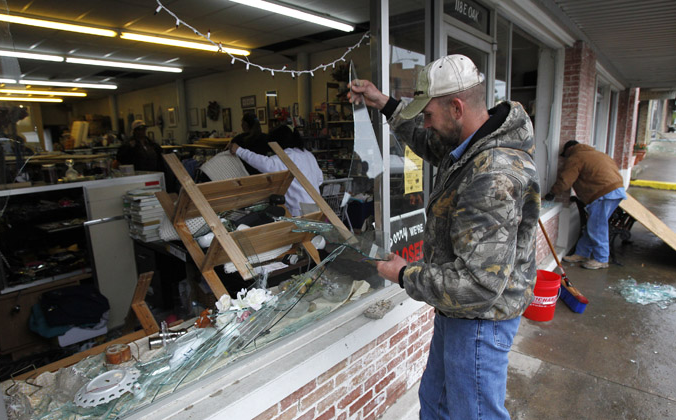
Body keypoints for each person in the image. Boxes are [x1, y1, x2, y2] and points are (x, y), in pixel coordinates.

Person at [349, 54, 540, 420]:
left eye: (429, 114)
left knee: (475, 413)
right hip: (458, 314)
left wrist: (404, 274)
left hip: (479, 321)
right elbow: (427, 143)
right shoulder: (471, 145)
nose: (426, 123)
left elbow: (478, 286)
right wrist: (384, 103)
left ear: (456, 107)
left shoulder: (491, 176)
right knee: (436, 403)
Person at [544, 140, 626, 269]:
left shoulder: (576, 157)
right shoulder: (597, 154)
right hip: (615, 191)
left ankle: (601, 259)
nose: (565, 158)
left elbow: (565, 180)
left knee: (597, 226)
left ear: (569, 149)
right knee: (593, 225)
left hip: (603, 193)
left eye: (565, 155)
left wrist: (552, 192)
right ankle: (582, 253)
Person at [229, 125, 323, 217]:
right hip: (316, 205)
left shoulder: (286, 157)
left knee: (301, 231)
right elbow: (320, 179)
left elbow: (263, 163)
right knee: (313, 231)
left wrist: (239, 150)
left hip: (299, 209)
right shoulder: (308, 154)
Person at [117, 120, 175, 191]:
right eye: (139, 130)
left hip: (154, 173)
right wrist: (129, 147)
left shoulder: (151, 143)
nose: (142, 132)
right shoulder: (129, 144)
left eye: (143, 129)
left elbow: (159, 154)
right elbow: (121, 158)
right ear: (135, 131)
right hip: (140, 175)